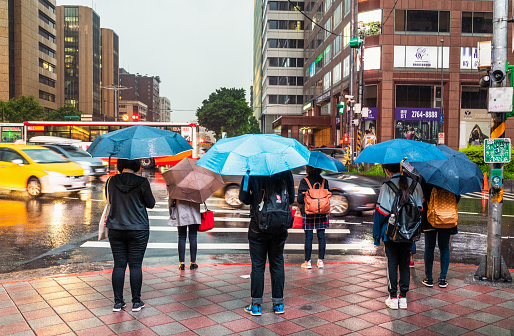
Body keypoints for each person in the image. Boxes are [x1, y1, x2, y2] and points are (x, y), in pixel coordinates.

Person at [239, 170, 294, 316]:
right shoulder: (286, 170)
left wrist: (256, 197)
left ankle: (256, 305)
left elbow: (243, 197)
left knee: (258, 265)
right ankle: (278, 304)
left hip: (258, 225)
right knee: (277, 262)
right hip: (280, 225)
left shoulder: (250, 170)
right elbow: (292, 198)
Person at [106, 159, 155, 312]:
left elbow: (109, 200)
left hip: (116, 227)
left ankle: (118, 303)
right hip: (138, 228)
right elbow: (151, 203)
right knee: (135, 265)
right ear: (136, 165)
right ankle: (136, 302)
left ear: (120, 165)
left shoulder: (111, 181)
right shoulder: (142, 182)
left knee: (119, 265)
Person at [373, 163, 423, 310]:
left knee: (392, 264)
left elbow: (381, 213)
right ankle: (403, 298)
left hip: (391, 233)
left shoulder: (387, 186)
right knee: (405, 264)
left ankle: (393, 297)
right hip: (409, 233)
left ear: (387, 169)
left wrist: (377, 235)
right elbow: (420, 209)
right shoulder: (416, 185)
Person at [421, 184, 460, 288]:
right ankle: (442, 279)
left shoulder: (427, 177)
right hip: (447, 217)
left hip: (430, 217)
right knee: (444, 247)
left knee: (429, 247)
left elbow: (422, 194)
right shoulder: (452, 178)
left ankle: (429, 278)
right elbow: (457, 197)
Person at [297, 166, 329, 269]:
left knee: (309, 238)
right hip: (322, 212)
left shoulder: (304, 181)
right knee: (321, 237)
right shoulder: (324, 181)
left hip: (309, 212)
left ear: (308, 169)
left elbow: (300, 200)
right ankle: (320, 261)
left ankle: (308, 262)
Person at [167, 198, 201, 270]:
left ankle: (182, 263)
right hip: (194, 213)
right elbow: (201, 200)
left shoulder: (176, 187)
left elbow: (171, 201)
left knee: (181, 237)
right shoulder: (196, 187)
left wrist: (171, 213)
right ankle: (193, 263)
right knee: (193, 237)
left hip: (180, 212)